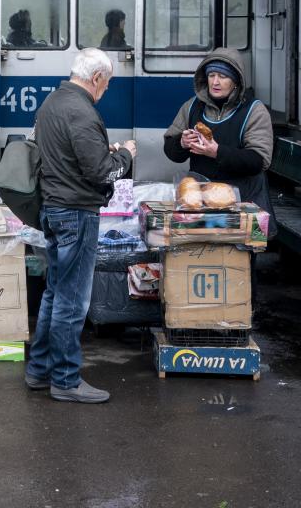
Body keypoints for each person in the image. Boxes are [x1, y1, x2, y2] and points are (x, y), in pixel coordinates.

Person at [27, 48, 136, 403]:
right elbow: (101, 171)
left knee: (54, 293)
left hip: (54, 210)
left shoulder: (52, 103)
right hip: (76, 213)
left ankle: (39, 371)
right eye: (107, 83)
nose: (106, 89)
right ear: (97, 79)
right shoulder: (82, 111)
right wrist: (125, 155)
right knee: (72, 302)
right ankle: (66, 380)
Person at [163, 48, 276, 236]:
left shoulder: (254, 111)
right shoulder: (191, 107)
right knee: (201, 258)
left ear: (236, 81)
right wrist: (181, 143)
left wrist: (217, 152)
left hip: (245, 204)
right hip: (201, 204)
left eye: (223, 76)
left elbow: (259, 161)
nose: (215, 82)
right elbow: (170, 150)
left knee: (240, 261)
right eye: (212, 75)